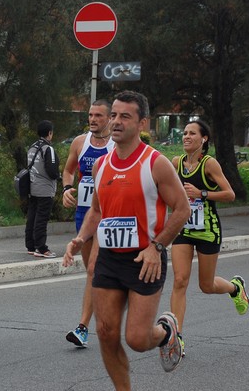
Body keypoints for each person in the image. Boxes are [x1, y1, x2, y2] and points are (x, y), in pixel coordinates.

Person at [63, 90, 191, 390]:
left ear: (142, 123)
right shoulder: (101, 165)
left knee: (137, 339)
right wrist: (81, 238)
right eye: (114, 115)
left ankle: (166, 330)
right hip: (109, 257)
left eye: (125, 116)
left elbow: (182, 209)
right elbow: (97, 209)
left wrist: (157, 246)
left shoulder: (156, 163)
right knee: (106, 332)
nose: (116, 122)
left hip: (144, 258)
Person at [169, 119, 249, 357]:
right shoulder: (176, 163)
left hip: (208, 230)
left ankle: (235, 288)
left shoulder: (209, 164)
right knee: (180, 280)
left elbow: (230, 194)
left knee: (206, 285)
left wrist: (201, 193)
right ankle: (177, 337)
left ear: (203, 139)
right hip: (183, 229)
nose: (186, 137)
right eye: (184, 133)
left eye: (192, 133)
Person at [61, 99, 115, 348]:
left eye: (98, 116)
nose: (92, 119)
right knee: (93, 274)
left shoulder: (116, 145)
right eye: (90, 115)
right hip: (84, 214)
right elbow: (69, 170)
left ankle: (82, 327)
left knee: (94, 269)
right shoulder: (80, 143)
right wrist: (67, 188)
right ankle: (107, 313)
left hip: (109, 216)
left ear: (110, 118)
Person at [25, 120, 60, 258]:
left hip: (32, 187)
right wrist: (58, 176)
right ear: (50, 133)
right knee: (41, 219)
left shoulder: (32, 147)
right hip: (45, 189)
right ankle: (42, 248)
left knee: (32, 216)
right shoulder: (48, 149)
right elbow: (52, 170)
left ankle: (31, 245)